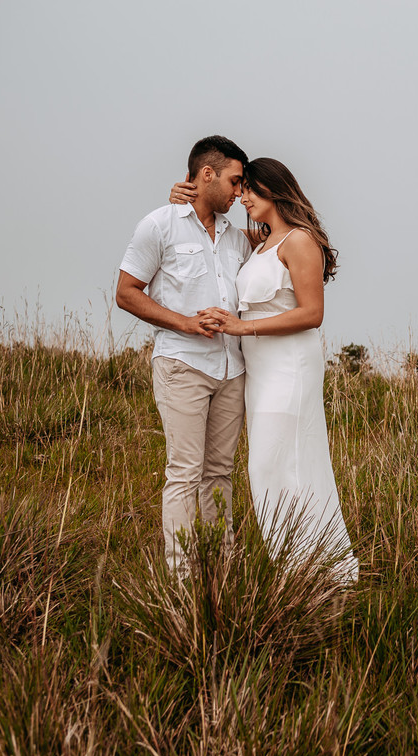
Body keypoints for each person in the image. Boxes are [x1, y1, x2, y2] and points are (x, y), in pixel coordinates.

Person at [171, 158, 360, 583]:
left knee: (275, 466)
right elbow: (207, 230)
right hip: (260, 374)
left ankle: (310, 571)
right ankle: (310, 570)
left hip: (290, 368)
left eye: (251, 190)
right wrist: (183, 197)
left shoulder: (300, 240)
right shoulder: (260, 241)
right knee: (277, 468)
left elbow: (313, 314)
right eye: (241, 190)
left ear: (274, 189)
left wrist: (243, 327)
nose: (242, 198)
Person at [116, 135, 251, 576]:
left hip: (232, 369)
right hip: (182, 365)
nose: (238, 191)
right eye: (234, 181)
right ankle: (181, 578)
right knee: (185, 472)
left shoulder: (237, 237)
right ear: (205, 174)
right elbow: (126, 293)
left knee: (220, 473)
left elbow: (277, 230)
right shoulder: (159, 224)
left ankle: (219, 569)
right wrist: (185, 323)